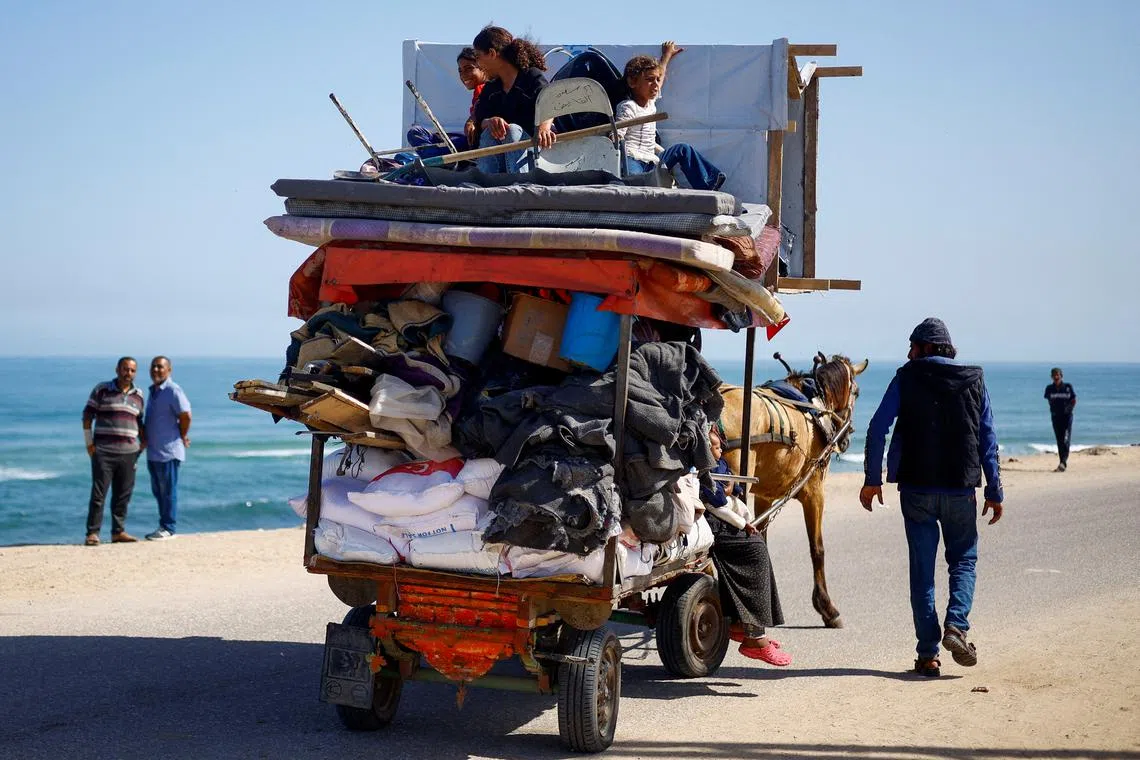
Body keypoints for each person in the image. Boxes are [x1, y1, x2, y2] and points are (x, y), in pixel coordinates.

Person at [860, 317, 1004, 677]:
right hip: (960, 490)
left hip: (917, 490)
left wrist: (872, 479)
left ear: (926, 348)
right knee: (964, 561)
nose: (909, 353)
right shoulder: (974, 379)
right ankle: (956, 627)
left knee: (922, 574)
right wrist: (994, 489)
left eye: (913, 347)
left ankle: (928, 655)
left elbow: (878, 427)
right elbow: (988, 438)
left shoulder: (906, 377)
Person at [701, 427, 792, 666]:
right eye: (716, 447)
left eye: (720, 446)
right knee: (755, 550)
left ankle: (741, 622)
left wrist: (731, 486)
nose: (720, 450)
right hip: (713, 518)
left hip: (720, 511)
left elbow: (728, 482)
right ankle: (754, 637)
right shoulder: (703, 463)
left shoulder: (714, 460)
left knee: (755, 543)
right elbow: (715, 499)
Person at [616, 42, 726, 191]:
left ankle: (708, 185)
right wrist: (613, 136)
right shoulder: (628, 107)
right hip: (632, 159)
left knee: (683, 149)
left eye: (656, 79)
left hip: (652, 160)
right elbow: (618, 136)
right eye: (649, 80)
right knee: (635, 184)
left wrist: (666, 55)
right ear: (632, 82)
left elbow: (660, 75)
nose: (655, 84)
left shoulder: (650, 102)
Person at [470, 25, 556, 174]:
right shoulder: (490, 89)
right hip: (501, 158)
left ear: (491, 53)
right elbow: (480, 120)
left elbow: (550, 102)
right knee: (488, 134)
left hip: (534, 155)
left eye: (478, 57)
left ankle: (520, 185)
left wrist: (544, 129)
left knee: (512, 130)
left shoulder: (531, 77)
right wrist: (490, 122)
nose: (478, 64)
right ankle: (488, 187)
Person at [81, 357, 146, 546]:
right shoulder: (102, 389)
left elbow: (139, 422)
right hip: (104, 451)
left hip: (129, 452)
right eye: (125, 369)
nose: (129, 373)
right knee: (99, 494)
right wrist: (89, 443)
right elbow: (87, 415)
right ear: (117, 369)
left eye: (133, 370)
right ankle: (92, 533)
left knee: (123, 494)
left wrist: (142, 445)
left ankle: (118, 532)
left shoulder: (139, 395)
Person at [406, 47, 488, 157]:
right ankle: (434, 156)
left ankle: (434, 159)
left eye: (469, 68)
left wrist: (471, 121)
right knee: (418, 132)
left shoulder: (486, 89)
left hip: (475, 143)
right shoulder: (480, 90)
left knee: (416, 133)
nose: (463, 75)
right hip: (468, 141)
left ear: (483, 68)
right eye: (460, 71)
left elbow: (479, 113)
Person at [143, 356, 192, 540]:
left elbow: (186, 414)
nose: (156, 370)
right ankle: (163, 525)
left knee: (168, 491)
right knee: (158, 492)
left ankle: (169, 528)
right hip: (154, 452)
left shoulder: (173, 390)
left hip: (169, 452)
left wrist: (182, 434)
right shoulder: (154, 391)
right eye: (153, 367)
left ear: (169, 370)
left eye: (160, 367)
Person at [1044, 367, 1077, 472]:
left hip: (1067, 417)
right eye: (1054, 375)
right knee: (1059, 440)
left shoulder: (1068, 387)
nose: (1056, 377)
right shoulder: (1049, 388)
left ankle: (1063, 462)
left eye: (1058, 375)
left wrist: (1068, 410)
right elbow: (1049, 400)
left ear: (1061, 376)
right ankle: (1061, 462)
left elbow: (1074, 400)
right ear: (1052, 377)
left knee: (1066, 439)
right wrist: (1053, 410)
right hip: (1055, 417)